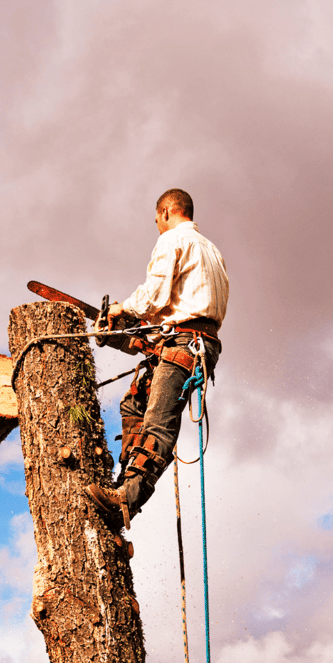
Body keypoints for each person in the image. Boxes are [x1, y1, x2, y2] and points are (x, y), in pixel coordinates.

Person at [85, 189, 229, 529]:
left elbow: (155, 294)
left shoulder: (172, 240)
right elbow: (180, 306)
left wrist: (122, 309)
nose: (157, 227)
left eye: (156, 221)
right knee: (133, 405)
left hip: (187, 342)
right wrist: (136, 331)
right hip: (190, 339)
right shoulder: (212, 251)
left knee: (157, 424)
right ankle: (124, 483)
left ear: (165, 212)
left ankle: (126, 499)